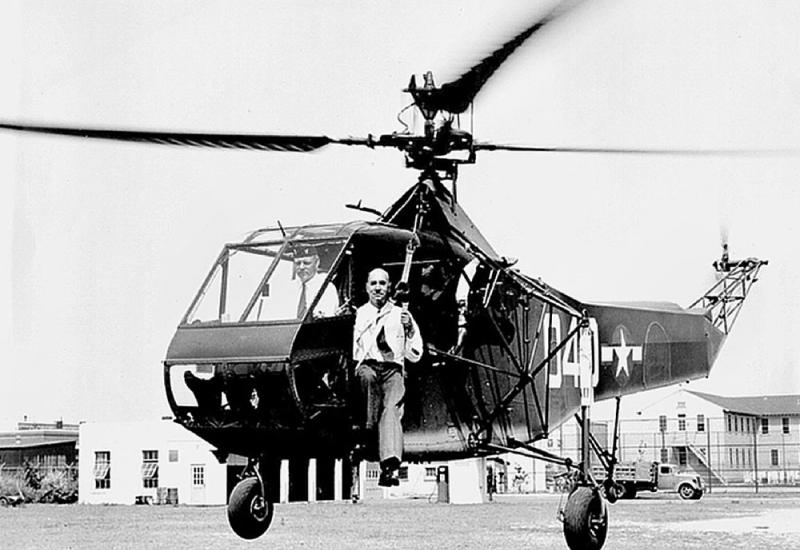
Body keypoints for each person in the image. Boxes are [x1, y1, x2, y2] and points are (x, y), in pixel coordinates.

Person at [352, 268, 423, 487]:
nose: (377, 288)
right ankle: (369, 431)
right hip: (368, 366)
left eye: (382, 283)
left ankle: (390, 466)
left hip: (392, 369)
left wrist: (409, 328)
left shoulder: (401, 313)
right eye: (373, 283)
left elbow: (415, 353)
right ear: (366, 287)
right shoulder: (360, 313)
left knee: (392, 408)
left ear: (389, 287)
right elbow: (355, 349)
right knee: (367, 379)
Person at [292, 245, 340, 318]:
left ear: (317, 263)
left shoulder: (326, 288)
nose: (301, 267)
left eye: (306, 263)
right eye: (298, 263)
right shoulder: (290, 288)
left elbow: (326, 318)